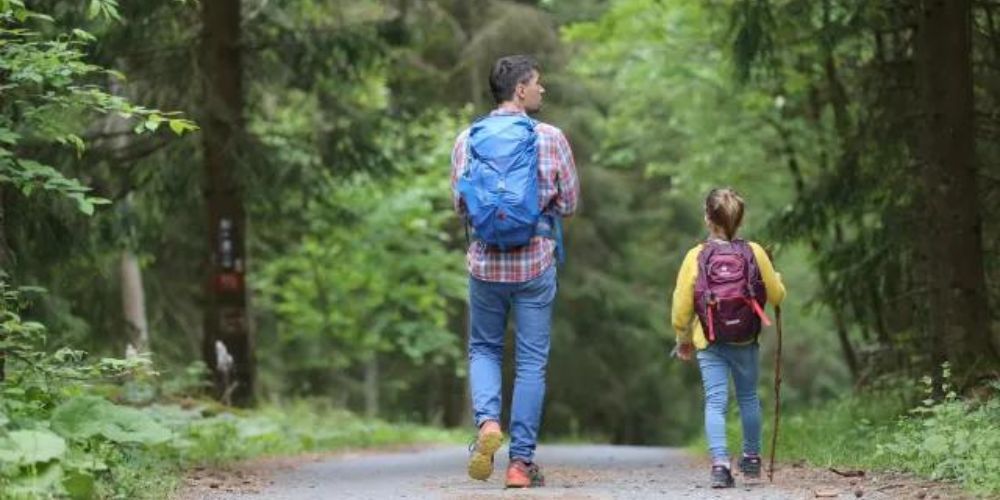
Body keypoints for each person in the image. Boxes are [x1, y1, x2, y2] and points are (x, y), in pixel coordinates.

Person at [450, 54, 579, 488]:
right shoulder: (550, 138)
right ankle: (520, 464)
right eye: (537, 83)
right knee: (530, 363)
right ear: (520, 90)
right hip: (534, 263)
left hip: (485, 264)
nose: (542, 89)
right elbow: (570, 203)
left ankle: (488, 423)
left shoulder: (468, 139)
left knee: (484, 349)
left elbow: (460, 205)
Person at [671, 188, 786, 488]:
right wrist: (780, 283)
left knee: (715, 402)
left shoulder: (695, 256)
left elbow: (681, 306)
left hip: (710, 340)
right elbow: (775, 295)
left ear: (708, 218)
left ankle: (720, 465)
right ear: (740, 218)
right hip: (745, 340)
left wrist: (682, 337)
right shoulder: (755, 252)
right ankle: (751, 459)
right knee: (748, 398)